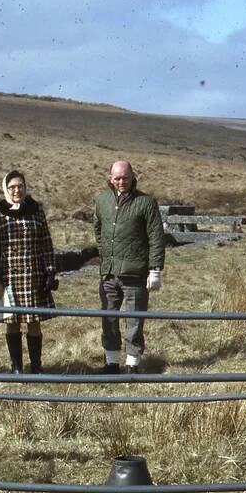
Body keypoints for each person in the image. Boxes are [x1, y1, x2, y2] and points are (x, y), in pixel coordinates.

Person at [93, 160, 165, 374]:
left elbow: (156, 236)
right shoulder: (102, 200)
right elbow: (98, 229)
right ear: (110, 178)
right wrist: (106, 254)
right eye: (117, 178)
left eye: (125, 177)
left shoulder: (146, 202)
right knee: (108, 318)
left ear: (133, 177)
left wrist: (155, 269)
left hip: (135, 274)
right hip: (108, 272)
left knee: (135, 320)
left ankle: (132, 364)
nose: (121, 182)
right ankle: (111, 363)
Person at [0, 169, 58, 373]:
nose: (16, 190)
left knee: (34, 321)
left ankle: (36, 367)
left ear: (25, 187)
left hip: (34, 276)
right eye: (12, 187)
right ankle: (16, 367)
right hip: (9, 278)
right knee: (12, 321)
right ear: (5, 189)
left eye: (20, 186)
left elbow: (46, 244)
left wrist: (50, 272)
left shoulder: (37, 212)